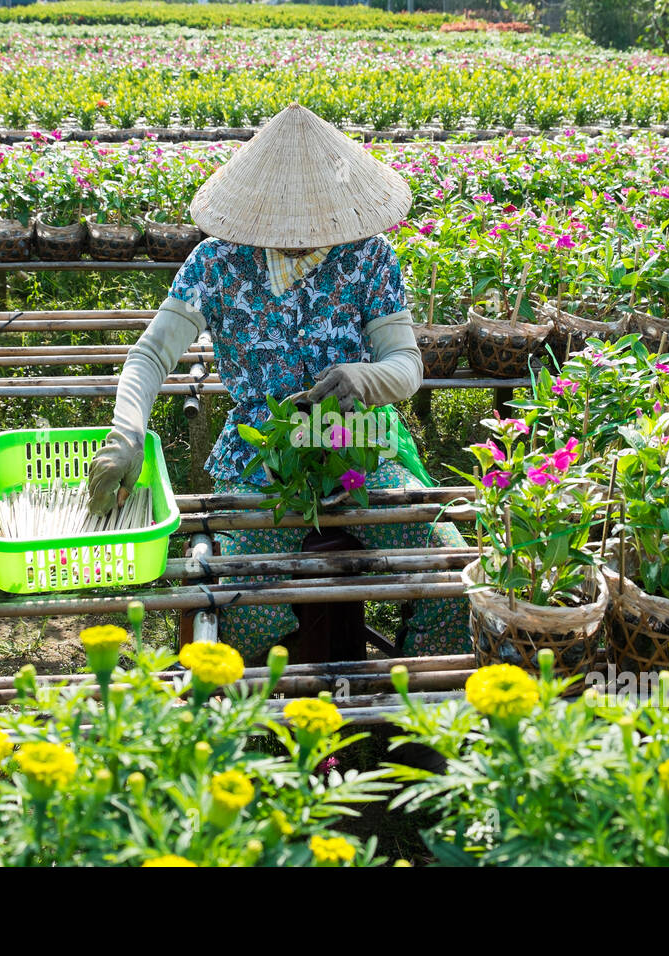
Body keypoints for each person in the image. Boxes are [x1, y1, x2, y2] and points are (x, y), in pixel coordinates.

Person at [87, 103, 469, 663]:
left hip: (355, 447)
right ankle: (259, 715)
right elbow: (150, 354)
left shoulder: (370, 257)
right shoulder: (216, 262)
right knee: (237, 595)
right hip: (260, 457)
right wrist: (125, 436)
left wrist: (363, 379)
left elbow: (406, 365)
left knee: (448, 571)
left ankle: (415, 715)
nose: (299, 237)